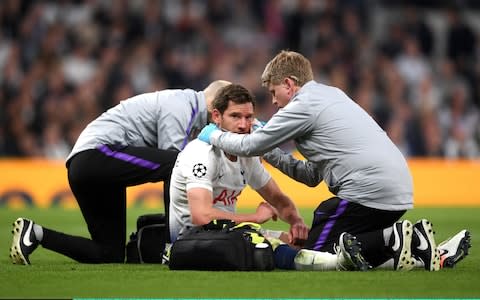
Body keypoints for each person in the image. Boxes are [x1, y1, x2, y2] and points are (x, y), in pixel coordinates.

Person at [198, 50, 471, 271]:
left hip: (366, 193)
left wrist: (213, 135)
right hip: (394, 192)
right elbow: (311, 176)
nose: (274, 102)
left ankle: (393, 238)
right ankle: (422, 250)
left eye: (273, 92)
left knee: (315, 255)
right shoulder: (332, 95)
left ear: (290, 85)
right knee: (350, 252)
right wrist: (268, 149)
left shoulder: (301, 105)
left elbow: (250, 145)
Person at [10, 80, 232, 265]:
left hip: (89, 167)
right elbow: (177, 167)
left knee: (109, 254)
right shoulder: (181, 105)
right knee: (178, 164)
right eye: (230, 113)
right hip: (95, 155)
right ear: (216, 106)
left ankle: (36, 234)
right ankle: (174, 246)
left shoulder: (192, 114)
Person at [168, 83, 370, 271]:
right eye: (235, 116)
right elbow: (201, 216)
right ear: (216, 117)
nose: (243, 124)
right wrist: (254, 218)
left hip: (226, 234)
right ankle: (338, 263)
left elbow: (279, 200)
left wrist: (296, 221)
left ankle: (377, 249)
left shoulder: (246, 154)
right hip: (191, 239)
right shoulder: (202, 154)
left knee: (294, 240)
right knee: (263, 243)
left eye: (248, 118)